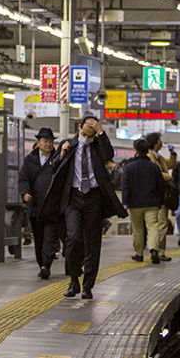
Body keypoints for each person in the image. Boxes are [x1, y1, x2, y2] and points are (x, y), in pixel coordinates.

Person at [45, 114, 127, 300]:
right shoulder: (68, 144)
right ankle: (74, 280)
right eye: (87, 130)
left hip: (93, 198)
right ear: (80, 127)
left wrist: (101, 132)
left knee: (93, 243)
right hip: (73, 198)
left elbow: (109, 155)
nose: (88, 136)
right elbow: (53, 167)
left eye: (92, 132)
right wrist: (62, 154)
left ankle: (88, 285)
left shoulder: (98, 146)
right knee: (73, 238)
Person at [17, 127, 60, 279]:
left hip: (52, 206)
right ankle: (41, 263)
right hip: (35, 206)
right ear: (38, 142)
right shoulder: (30, 160)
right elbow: (23, 179)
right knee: (39, 237)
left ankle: (46, 264)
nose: (48, 144)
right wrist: (25, 193)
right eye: (45, 141)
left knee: (50, 237)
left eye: (50, 141)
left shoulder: (58, 159)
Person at [121, 139, 166, 264]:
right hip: (152, 202)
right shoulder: (154, 167)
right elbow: (161, 186)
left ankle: (139, 254)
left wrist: (125, 203)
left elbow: (125, 186)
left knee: (138, 229)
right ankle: (154, 250)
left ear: (135, 150)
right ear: (147, 151)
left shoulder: (129, 167)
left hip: (135, 203)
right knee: (153, 227)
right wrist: (160, 201)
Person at [145, 132, 177, 262]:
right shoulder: (150, 157)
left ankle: (159, 250)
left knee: (161, 223)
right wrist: (169, 177)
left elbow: (170, 165)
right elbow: (156, 173)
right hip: (157, 194)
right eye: (159, 140)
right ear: (155, 142)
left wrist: (173, 154)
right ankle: (158, 251)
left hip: (163, 193)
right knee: (161, 223)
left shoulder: (159, 157)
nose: (161, 142)